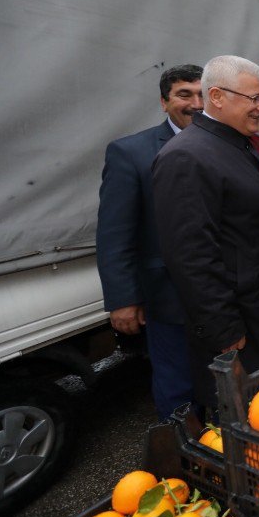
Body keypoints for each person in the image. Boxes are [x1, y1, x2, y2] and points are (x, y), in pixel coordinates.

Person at [152, 55, 259, 410]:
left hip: (258, 310)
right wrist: (224, 329)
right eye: (253, 98)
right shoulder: (186, 157)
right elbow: (191, 255)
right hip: (235, 325)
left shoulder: (235, 142)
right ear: (217, 96)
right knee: (241, 416)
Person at [96, 64, 202, 420]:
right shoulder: (131, 152)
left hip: (220, 294)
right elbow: (115, 232)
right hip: (166, 297)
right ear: (163, 102)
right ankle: (181, 461)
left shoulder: (226, 144)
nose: (196, 103)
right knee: (177, 387)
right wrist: (123, 299)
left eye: (203, 94)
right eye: (185, 94)